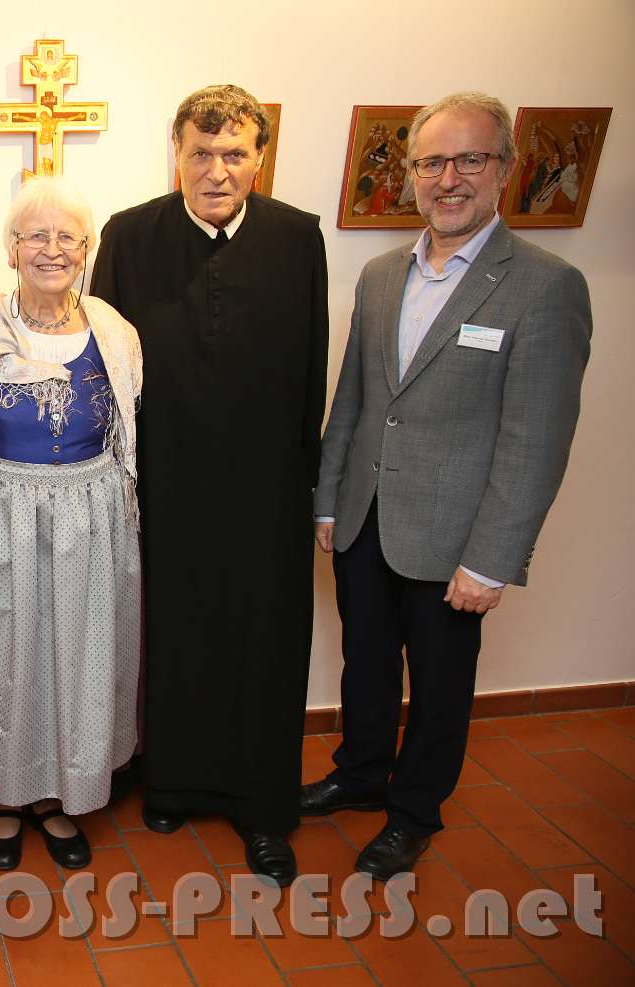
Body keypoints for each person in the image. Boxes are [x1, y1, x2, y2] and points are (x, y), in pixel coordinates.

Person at [305, 92, 592, 879]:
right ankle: (361, 773)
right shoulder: (379, 275)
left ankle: (412, 812)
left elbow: (536, 439)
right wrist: (328, 498)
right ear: (410, 174)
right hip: (365, 517)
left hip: (453, 538)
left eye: (470, 159)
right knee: (363, 663)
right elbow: (355, 401)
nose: (449, 178)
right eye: (432, 161)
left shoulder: (543, 286)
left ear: (504, 168)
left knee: (437, 689)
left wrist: (492, 559)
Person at [92, 84, 328, 885]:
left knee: (264, 641)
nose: (216, 169)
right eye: (201, 152)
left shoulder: (299, 239)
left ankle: (264, 805)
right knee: (173, 633)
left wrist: (309, 486)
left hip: (266, 492)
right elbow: (104, 371)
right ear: (177, 154)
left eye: (233, 153)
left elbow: (310, 373)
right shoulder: (129, 237)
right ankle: (174, 780)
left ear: (258, 158)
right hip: (166, 486)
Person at [0, 177, 144, 872]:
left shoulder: (115, 331)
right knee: (5, 653)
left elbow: (125, 433)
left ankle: (58, 794)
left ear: (87, 249)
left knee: (77, 652)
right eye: (36, 235)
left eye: (67, 237)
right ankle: (4, 795)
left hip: (90, 515)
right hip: (0, 516)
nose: (52, 249)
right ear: (12, 247)